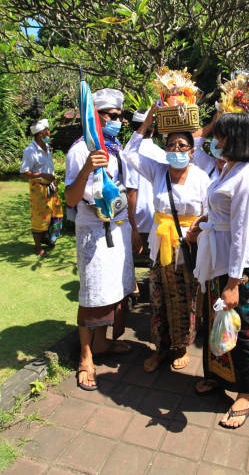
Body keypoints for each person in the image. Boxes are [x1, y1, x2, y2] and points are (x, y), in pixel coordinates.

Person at [124, 106, 209, 372]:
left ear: (192, 151)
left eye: (182, 145)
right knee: (159, 298)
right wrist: (149, 119)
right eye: (171, 145)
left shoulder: (201, 178)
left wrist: (197, 229)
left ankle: (182, 347)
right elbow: (129, 153)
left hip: (188, 247)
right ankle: (161, 348)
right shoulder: (158, 171)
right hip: (160, 246)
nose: (176, 150)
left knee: (185, 298)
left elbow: (210, 213)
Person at [192, 113, 249, 429]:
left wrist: (233, 283)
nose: (215, 141)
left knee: (240, 327)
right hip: (217, 259)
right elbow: (219, 214)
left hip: (239, 266)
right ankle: (216, 375)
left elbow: (240, 234)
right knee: (214, 320)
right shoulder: (227, 169)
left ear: (234, 138)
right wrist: (202, 224)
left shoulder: (246, 177)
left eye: (221, 136)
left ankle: (246, 394)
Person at [65, 88, 136, 391]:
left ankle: (103, 344)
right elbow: (70, 197)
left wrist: (133, 229)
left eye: (121, 117)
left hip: (119, 229)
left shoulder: (117, 149)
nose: (118, 121)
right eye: (112, 116)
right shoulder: (79, 150)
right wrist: (87, 167)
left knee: (114, 290)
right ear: (96, 118)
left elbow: (123, 190)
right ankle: (85, 356)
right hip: (92, 232)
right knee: (92, 292)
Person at [126, 110, 167, 304]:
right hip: (157, 219)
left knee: (130, 261)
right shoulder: (161, 154)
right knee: (157, 262)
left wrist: (133, 227)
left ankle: (133, 291)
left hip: (137, 219)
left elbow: (130, 193)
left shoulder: (127, 154)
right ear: (153, 130)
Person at [20, 118, 63, 257]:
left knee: (56, 213)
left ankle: (48, 239)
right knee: (40, 217)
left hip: (51, 187)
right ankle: (38, 247)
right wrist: (42, 175)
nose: (49, 133)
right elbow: (24, 172)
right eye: (47, 131)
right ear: (40, 134)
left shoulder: (46, 148)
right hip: (39, 188)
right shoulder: (30, 151)